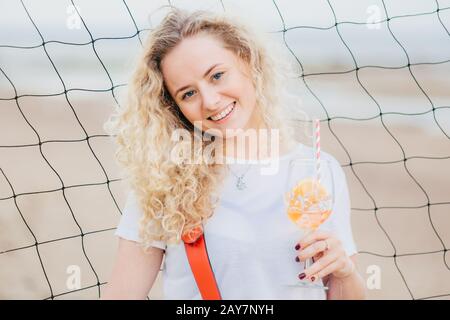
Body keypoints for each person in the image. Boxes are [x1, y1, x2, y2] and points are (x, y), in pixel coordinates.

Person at [102, 7, 366, 300]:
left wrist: (344, 272)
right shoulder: (163, 181)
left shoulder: (319, 170)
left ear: (247, 60)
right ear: (174, 107)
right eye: (188, 93)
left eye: (217, 76)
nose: (211, 101)